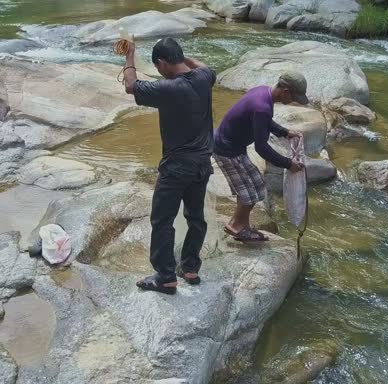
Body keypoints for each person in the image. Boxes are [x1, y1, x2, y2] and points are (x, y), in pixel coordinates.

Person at [122, 38, 216, 295]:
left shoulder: (169, 88)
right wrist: (184, 58)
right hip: (202, 164)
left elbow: (131, 86)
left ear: (162, 64)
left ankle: (165, 277)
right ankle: (190, 267)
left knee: (162, 220)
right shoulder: (205, 77)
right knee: (195, 217)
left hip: (177, 167)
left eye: (159, 65)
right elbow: (202, 65)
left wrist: (129, 55)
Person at [213, 73, 307, 242]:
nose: (293, 101)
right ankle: (236, 227)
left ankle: (240, 224)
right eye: (294, 97)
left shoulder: (263, 92)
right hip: (226, 150)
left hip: (232, 146)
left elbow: (264, 122)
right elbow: (261, 147)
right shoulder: (262, 106)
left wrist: (284, 132)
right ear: (285, 91)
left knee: (256, 185)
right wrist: (288, 164)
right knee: (249, 193)